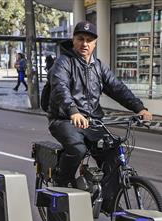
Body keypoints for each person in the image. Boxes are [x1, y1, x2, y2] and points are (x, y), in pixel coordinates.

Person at [47, 21, 152, 209]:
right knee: (77, 149)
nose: (84, 44)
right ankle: (63, 185)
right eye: (80, 39)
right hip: (64, 119)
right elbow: (60, 88)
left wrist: (139, 108)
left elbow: (117, 88)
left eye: (89, 40)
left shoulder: (98, 67)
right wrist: (73, 112)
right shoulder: (63, 63)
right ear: (73, 40)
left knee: (113, 152)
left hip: (93, 122)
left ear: (95, 43)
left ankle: (107, 201)